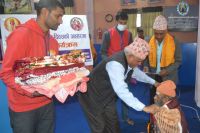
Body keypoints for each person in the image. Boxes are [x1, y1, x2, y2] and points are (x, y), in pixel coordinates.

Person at [0, 0, 65, 133]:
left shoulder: (53, 42)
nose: (61, 21)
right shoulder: (21, 35)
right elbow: (6, 73)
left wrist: (68, 80)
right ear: (45, 12)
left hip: (47, 103)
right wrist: (29, 91)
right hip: (23, 108)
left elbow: (52, 73)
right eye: (58, 16)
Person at [78, 38, 160, 133]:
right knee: (99, 127)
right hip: (91, 97)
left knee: (113, 124)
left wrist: (154, 82)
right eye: (139, 61)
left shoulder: (129, 61)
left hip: (108, 97)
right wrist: (144, 108)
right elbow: (122, 90)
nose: (140, 63)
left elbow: (137, 73)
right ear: (130, 56)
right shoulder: (115, 64)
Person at [100, 10, 134, 125]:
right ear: (116, 21)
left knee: (125, 95)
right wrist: (110, 63)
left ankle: (125, 117)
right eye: (121, 22)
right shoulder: (107, 34)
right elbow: (103, 52)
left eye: (125, 22)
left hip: (125, 71)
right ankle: (111, 119)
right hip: (112, 71)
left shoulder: (129, 34)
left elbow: (131, 52)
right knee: (111, 97)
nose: (123, 24)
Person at [143, 15, 182, 104]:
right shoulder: (148, 40)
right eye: (156, 33)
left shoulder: (174, 41)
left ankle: (164, 118)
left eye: (161, 33)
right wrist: (145, 65)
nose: (159, 36)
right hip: (154, 77)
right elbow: (145, 57)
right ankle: (153, 118)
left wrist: (167, 70)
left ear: (166, 30)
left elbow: (178, 61)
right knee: (153, 100)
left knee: (167, 102)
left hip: (169, 77)